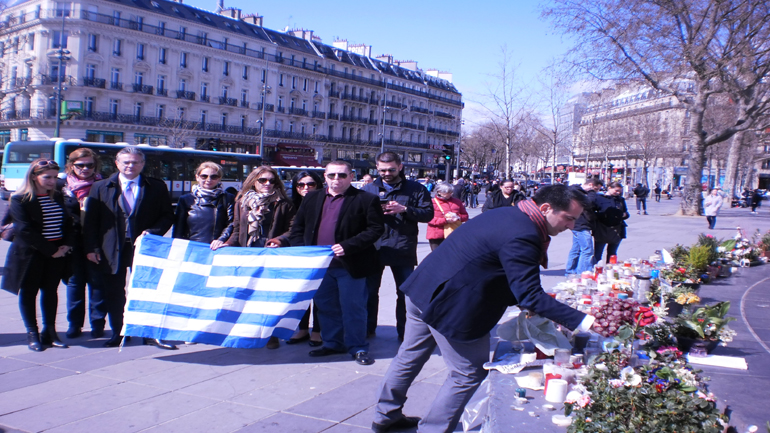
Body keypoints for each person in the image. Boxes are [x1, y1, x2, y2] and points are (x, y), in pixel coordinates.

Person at [371, 185, 594, 433]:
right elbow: (529, 294)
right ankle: (432, 429)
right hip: (451, 305)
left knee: (409, 356)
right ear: (546, 208)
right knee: (467, 373)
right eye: (569, 218)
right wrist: (585, 321)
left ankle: (385, 415)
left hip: (423, 289)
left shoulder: (508, 213)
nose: (571, 226)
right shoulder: (525, 234)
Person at [287, 160, 384, 366]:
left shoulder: (366, 199)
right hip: (320, 266)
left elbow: (375, 230)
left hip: (350, 265)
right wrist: (303, 252)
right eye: (331, 175)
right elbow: (298, 228)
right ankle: (332, 343)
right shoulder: (312, 198)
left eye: (341, 175)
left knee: (353, 307)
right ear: (325, 176)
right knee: (326, 307)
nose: (336, 179)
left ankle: (357, 347)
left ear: (351, 176)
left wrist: (349, 246)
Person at [83, 147, 175, 349]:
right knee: (114, 293)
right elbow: (91, 221)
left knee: (145, 290)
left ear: (142, 164)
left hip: (143, 248)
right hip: (110, 248)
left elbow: (168, 215)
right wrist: (91, 248)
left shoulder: (156, 187)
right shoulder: (100, 187)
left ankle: (147, 332)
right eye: (126, 162)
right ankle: (119, 332)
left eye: (135, 162)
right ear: (117, 164)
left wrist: (153, 231)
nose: (130, 166)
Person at [218, 166, 295, 349]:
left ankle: (271, 334)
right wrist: (227, 244)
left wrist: (279, 240)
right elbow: (237, 229)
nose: (267, 184)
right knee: (249, 294)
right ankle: (250, 331)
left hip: (272, 255)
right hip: (249, 254)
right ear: (253, 181)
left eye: (272, 180)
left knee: (269, 296)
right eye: (263, 180)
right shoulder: (241, 202)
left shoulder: (284, 204)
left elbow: (293, 229)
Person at [2, 159, 74, 351]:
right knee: (28, 292)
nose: (52, 181)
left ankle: (49, 332)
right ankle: (32, 332)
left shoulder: (57, 196)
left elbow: (68, 223)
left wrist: (66, 245)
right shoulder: (20, 198)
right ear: (34, 177)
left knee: (50, 292)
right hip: (31, 254)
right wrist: (51, 251)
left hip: (57, 253)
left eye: (54, 177)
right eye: (47, 177)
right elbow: (24, 230)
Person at [362, 152, 433, 341]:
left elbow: (428, 214)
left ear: (400, 167)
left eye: (391, 169)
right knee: (369, 292)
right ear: (377, 168)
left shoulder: (416, 188)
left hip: (402, 246)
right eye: (383, 170)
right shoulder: (368, 189)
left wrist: (405, 209)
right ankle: (368, 328)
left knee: (405, 294)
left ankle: (405, 332)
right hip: (374, 247)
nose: (387, 173)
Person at [267, 170, 325, 346]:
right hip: (296, 252)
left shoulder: (324, 201)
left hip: (319, 252)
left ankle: (317, 331)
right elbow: (290, 229)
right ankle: (302, 329)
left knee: (319, 293)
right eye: (301, 185)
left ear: (318, 185)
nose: (305, 188)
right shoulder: (291, 204)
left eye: (310, 184)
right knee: (300, 293)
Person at [61, 148, 102, 339]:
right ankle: (74, 325)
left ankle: (97, 324)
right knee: (75, 284)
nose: (85, 169)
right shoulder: (61, 187)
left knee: (97, 284)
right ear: (71, 166)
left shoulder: (103, 185)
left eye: (89, 165)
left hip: (96, 242)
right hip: (72, 243)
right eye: (80, 165)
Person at [173, 162, 235, 247]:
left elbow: (232, 223)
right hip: (191, 248)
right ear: (197, 177)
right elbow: (178, 230)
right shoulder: (186, 199)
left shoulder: (228, 198)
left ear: (219, 178)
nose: (208, 180)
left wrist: (221, 240)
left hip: (217, 248)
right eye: (204, 176)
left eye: (214, 177)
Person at [565, 177, 603, 276]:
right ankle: (584, 274)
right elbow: (588, 203)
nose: (596, 192)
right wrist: (591, 192)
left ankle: (570, 272)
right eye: (596, 189)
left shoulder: (577, 191)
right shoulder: (578, 192)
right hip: (581, 224)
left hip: (579, 224)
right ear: (590, 185)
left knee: (576, 249)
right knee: (587, 250)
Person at [593, 182, 630, 264]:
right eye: (616, 190)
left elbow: (626, 213)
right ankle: (596, 270)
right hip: (602, 229)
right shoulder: (599, 198)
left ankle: (610, 270)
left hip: (617, 229)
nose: (618, 192)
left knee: (612, 253)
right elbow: (592, 212)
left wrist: (624, 215)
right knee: (598, 253)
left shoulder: (620, 200)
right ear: (609, 188)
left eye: (619, 191)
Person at [426, 182, 469, 251]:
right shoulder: (431, 203)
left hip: (453, 233)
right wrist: (445, 220)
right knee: (438, 256)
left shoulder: (457, 202)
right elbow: (428, 219)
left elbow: (465, 216)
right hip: (437, 234)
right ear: (439, 192)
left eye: (451, 192)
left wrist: (458, 217)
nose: (450, 194)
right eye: (447, 192)